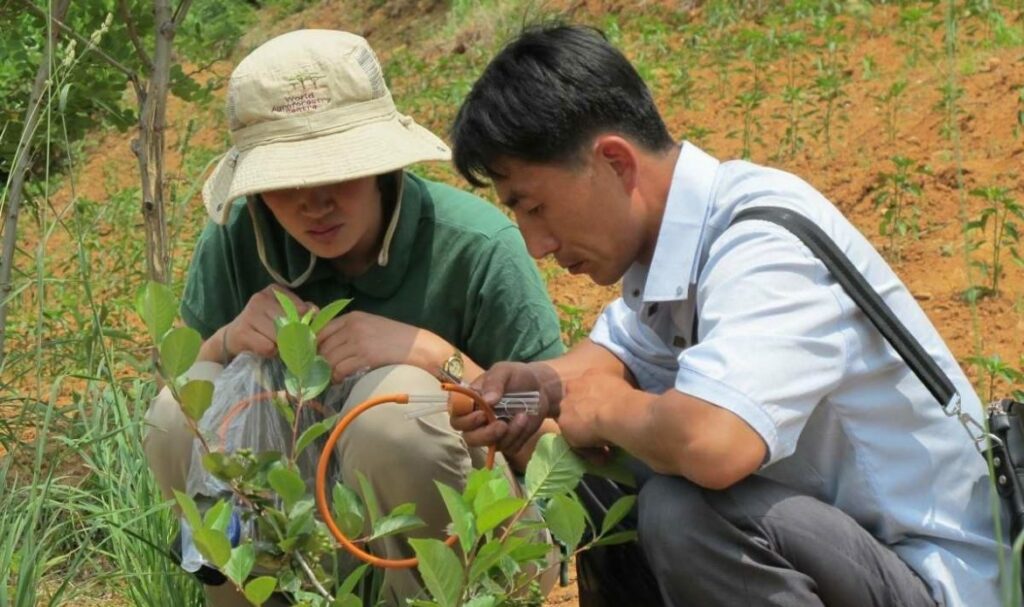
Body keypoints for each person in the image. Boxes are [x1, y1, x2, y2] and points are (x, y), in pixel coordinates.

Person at [448, 24, 1008, 607]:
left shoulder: (761, 248)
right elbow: (611, 358)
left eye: (536, 207)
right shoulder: (673, 248)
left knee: (687, 509)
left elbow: (713, 444)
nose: (535, 243)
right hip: (855, 560)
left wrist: (606, 408)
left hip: (933, 581)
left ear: (614, 162)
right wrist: (537, 387)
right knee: (599, 482)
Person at [142, 29, 564, 606]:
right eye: (287, 183)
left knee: (392, 411)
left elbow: (551, 436)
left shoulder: (475, 246)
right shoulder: (239, 243)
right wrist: (224, 341)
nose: (315, 203)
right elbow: (175, 388)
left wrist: (431, 357)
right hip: (312, 553)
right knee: (174, 411)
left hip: (474, 549)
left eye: (337, 173)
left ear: (381, 165)